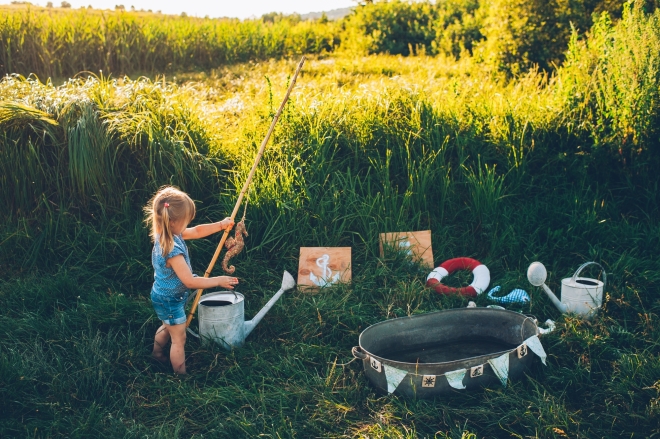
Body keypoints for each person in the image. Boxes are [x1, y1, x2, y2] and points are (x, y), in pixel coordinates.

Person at [144, 186, 238, 374]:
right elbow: (190, 282)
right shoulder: (171, 250)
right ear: (172, 222)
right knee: (179, 339)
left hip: (164, 295)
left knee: (167, 326)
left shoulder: (168, 234)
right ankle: (181, 377)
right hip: (170, 299)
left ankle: (156, 354)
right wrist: (218, 281)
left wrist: (221, 225)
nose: (188, 225)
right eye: (185, 221)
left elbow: (196, 231)